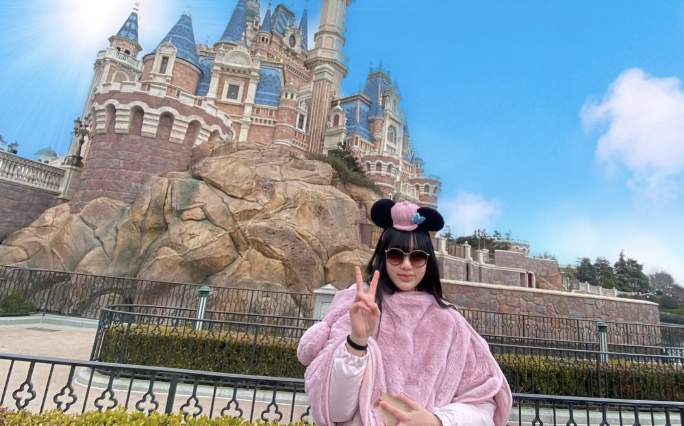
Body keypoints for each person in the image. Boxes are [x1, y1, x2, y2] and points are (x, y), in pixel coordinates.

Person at [297, 199, 512, 426]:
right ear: (383, 257)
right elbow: (335, 411)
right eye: (396, 255)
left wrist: (437, 421)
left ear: (428, 261)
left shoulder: (450, 322)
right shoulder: (359, 308)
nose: (407, 265)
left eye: (417, 256)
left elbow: (484, 408)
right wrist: (357, 341)